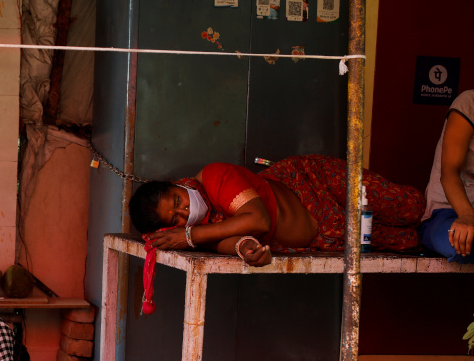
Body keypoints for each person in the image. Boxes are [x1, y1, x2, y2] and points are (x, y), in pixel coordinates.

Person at [130, 155, 426, 267]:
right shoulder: (203, 231)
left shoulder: (214, 177)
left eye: (178, 200)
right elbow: (235, 241)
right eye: (177, 218)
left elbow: (258, 220)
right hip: (330, 236)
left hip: (317, 186)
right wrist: (249, 251)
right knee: (411, 241)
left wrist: (190, 235)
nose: (185, 210)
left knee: (411, 209)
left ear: (176, 185)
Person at [420, 89, 474, 263]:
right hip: (449, 214)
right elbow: (449, 172)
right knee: (463, 242)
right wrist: (467, 216)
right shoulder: (469, 102)